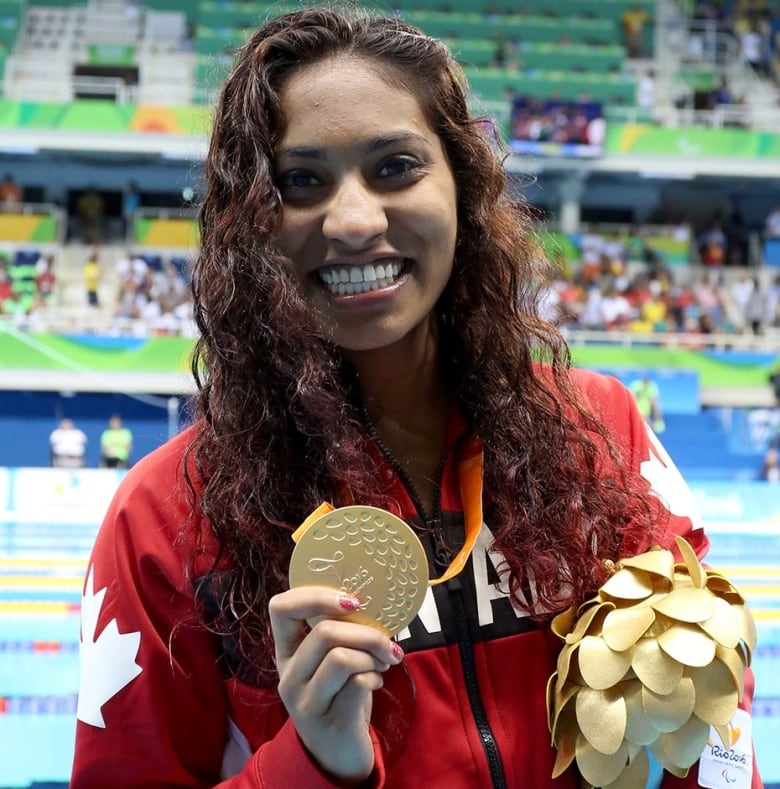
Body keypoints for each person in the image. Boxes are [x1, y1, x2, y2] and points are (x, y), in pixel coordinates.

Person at [70, 8, 762, 788]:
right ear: (250, 223)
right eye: (301, 181)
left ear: (465, 187)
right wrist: (315, 764)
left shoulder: (599, 431)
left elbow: (715, 722)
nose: (356, 219)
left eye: (395, 166)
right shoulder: (167, 521)